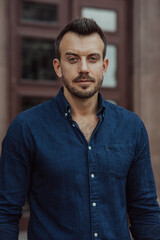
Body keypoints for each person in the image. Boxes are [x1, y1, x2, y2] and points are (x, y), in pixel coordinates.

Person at [0, 17, 160, 240]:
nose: (83, 68)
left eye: (92, 58)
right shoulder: (26, 128)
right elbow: (5, 213)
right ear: (58, 67)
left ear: (104, 66)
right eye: (73, 58)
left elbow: (144, 210)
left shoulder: (132, 127)